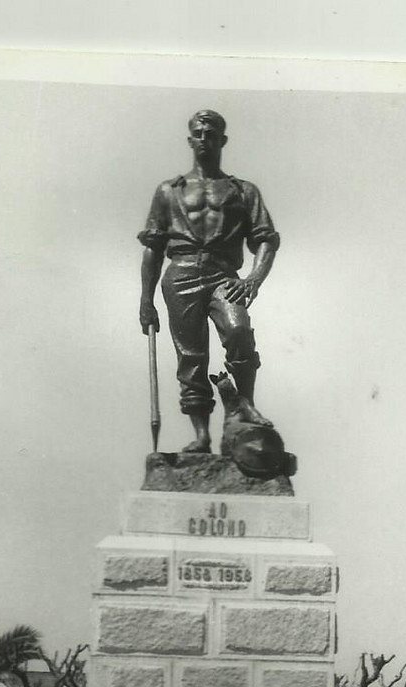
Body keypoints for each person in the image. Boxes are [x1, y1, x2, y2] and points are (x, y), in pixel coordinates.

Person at [138, 109, 280, 453]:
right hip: (181, 273)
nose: (205, 139)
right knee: (191, 356)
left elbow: (266, 238)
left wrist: (254, 280)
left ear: (223, 140)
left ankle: (243, 404)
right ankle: (201, 435)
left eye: (211, 134)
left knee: (239, 330)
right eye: (198, 134)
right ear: (190, 140)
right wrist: (145, 301)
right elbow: (153, 248)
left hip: (223, 274)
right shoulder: (168, 191)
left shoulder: (243, 191)